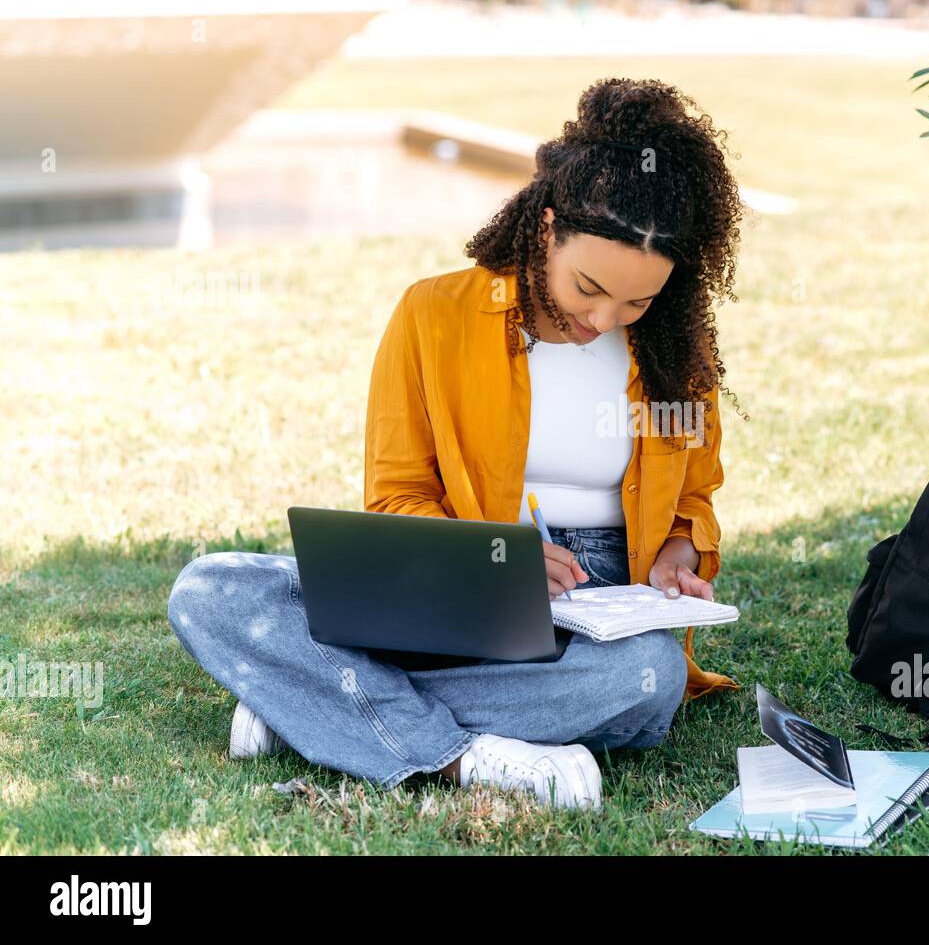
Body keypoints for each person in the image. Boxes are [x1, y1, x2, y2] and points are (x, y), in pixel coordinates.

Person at [167, 77, 746, 809]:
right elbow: (396, 496)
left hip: (602, 607)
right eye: (589, 287)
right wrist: (493, 561)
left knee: (646, 680)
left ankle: (319, 706)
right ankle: (461, 757)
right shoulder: (434, 315)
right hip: (454, 579)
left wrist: (677, 555)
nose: (604, 318)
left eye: (638, 300)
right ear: (546, 228)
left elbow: (695, 495)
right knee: (211, 591)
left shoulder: (675, 353)